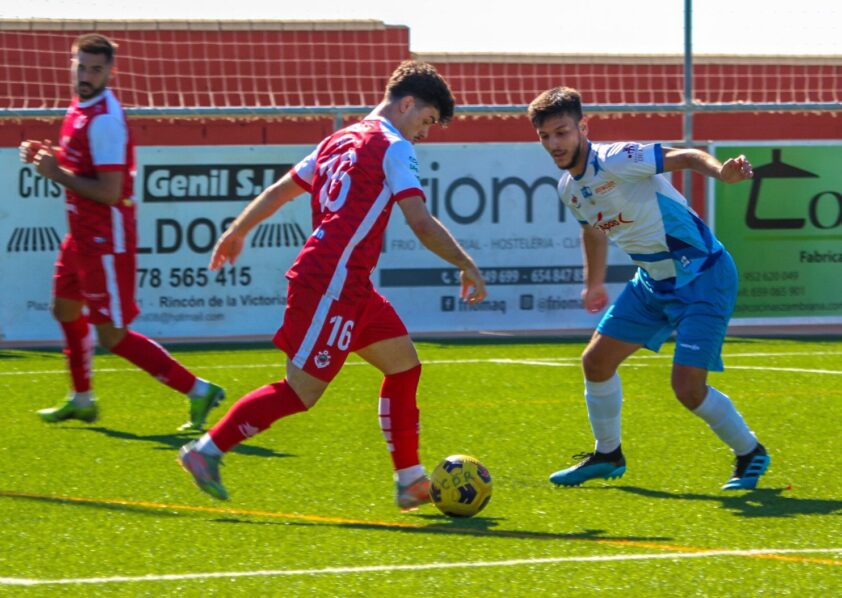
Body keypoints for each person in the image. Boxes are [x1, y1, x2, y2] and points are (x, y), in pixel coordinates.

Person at [178, 61, 487, 510]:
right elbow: (419, 221)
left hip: (351, 285)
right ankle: (206, 451)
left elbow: (281, 190)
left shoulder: (336, 141)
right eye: (426, 121)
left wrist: (239, 229)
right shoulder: (393, 146)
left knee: (404, 365)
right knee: (301, 392)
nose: (424, 133)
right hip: (331, 282)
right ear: (406, 104)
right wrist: (466, 263)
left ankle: (410, 480)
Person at [528, 86, 769, 491]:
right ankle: (608, 454)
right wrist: (594, 283)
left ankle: (750, 452)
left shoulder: (616, 158)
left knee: (687, 388)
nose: (554, 144)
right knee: (596, 363)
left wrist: (721, 172)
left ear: (582, 127)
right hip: (653, 282)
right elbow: (592, 231)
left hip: (703, 275)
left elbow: (687, 156)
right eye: (545, 137)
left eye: (562, 132)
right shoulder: (568, 188)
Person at [19, 34, 224, 431]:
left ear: (110, 71)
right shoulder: (80, 106)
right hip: (80, 236)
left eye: (96, 69)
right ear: (71, 63)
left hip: (104, 240)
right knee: (63, 309)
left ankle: (199, 390)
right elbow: (84, 166)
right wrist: (50, 157)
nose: (86, 75)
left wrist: (55, 172)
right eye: (81, 66)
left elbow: (109, 191)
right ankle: (82, 399)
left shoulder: (106, 121)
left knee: (113, 335)